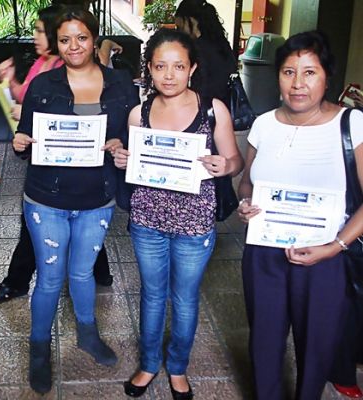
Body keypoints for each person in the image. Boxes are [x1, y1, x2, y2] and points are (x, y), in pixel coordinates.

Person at [12, 7, 139, 393]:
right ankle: (38, 349)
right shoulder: (44, 85)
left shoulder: (121, 85)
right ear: (57, 42)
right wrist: (19, 144)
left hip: (97, 198)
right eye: (65, 39)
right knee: (50, 277)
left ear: (95, 38)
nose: (73, 47)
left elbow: (133, 137)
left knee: (82, 273)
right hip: (46, 198)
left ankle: (87, 334)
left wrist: (122, 146)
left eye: (81, 38)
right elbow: (25, 138)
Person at [114, 28, 243, 398]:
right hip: (147, 221)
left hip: (194, 224)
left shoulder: (212, 109)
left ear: (192, 68)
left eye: (178, 66)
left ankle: (179, 367)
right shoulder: (139, 113)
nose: (168, 75)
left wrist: (225, 164)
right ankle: (150, 363)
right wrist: (124, 158)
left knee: (185, 297)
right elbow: (134, 163)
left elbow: (235, 159)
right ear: (149, 70)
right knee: (153, 295)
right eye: (160, 66)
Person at [237, 30, 363, 400]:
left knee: (317, 341)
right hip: (264, 253)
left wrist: (336, 246)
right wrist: (246, 203)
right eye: (289, 72)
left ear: (327, 77)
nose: (298, 83)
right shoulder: (263, 124)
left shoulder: (352, 125)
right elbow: (247, 183)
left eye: (309, 72)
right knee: (264, 338)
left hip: (325, 255)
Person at [0, 4, 113, 303]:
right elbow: (27, 97)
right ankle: (101, 272)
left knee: (70, 219)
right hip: (44, 169)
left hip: (70, 168)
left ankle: (18, 281)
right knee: (60, 220)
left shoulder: (64, 69)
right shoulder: (41, 65)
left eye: (40, 30)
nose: (35, 37)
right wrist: (11, 83)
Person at [175, 0, 236, 108]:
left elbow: (202, 88)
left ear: (192, 21)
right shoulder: (220, 43)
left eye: (180, 28)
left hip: (207, 108)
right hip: (225, 105)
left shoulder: (198, 49)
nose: (179, 33)